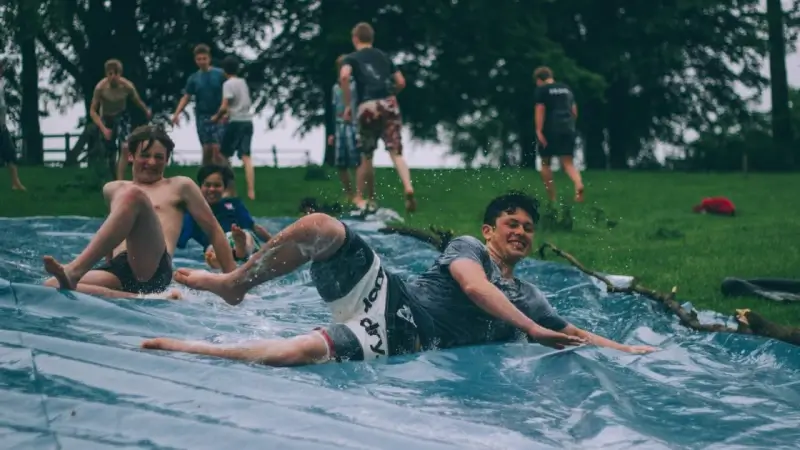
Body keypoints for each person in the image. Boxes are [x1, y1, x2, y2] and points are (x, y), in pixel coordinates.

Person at [142, 191, 657, 366]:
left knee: (295, 355)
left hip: (408, 336)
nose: (521, 233)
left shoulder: (530, 294)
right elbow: (474, 287)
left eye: (528, 228)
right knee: (322, 226)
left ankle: (191, 349)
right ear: (489, 230)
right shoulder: (469, 247)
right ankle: (237, 282)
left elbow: (571, 332)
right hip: (390, 296)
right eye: (512, 225)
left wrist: (625, 351)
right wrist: (534, 330)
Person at [42, 125, 237, 299]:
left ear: (167, 159)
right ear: (131, 156)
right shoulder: (112, 189)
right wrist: (108, 263)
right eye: (145, 155)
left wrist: (232, 281)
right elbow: (115, 231)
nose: (151, 162)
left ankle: (74, 270)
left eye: (159, 157)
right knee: (51, 285)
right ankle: (134, 297)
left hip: (153, 268)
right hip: (118, 268)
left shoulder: (180, 186)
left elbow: (214, 230)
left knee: (134, 196)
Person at [339, 22, 416, 213]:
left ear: (355, 38)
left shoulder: (352, 57)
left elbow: (344, 76)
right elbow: (401, 81)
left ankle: (364, 197)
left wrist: (349, 105)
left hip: (367, 105)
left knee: (367, 155)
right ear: (371, 38)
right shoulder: (383, 56)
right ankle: (408, 187)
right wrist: (392, 94)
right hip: (388, 103)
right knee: (396, 152)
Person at [177, 164, 271, 268]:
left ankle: (240, 250)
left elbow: (254, 227)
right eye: (207, 185)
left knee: (246, 235)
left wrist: (274, 242)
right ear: (200, 186)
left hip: (241, 239)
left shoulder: (234, 205)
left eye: (217, 185)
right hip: (215, 247)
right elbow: (179, 240)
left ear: (224, 188)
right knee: (211, 250)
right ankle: (235, 254)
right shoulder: (193, 213)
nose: (212, 189)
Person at [89, 59, 152, 181]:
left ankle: (121, 179)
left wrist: (146, 111)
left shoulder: (127, 86)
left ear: (120, 74)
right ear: (106, 75)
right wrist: (103, 128)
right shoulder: (100, 88)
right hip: (106, 117)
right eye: (110, 74)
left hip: (121, 115)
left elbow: (137, 101)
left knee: (124, 146)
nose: (113, 77)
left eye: (116, 74)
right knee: (110, 153)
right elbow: (92, 111)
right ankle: (113, 177)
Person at [533, 66, 584, 203]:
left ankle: (552, 198)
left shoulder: (542, 90)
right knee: (568, 162)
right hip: (568, 128)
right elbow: (574, 111)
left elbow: (540, 109)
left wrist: (539, 130)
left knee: (545, 163)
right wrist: (570, 125)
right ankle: (578, 183)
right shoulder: (566, 89)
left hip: (550, 128)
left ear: (539, 80)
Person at [171, 44, 226, 166]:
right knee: (207, 149)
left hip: (219, 113)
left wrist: (226, 111)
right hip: (202, 115)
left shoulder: (220, 74)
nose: (202, 62)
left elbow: (228, 93)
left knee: (217, 149)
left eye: (204, 59)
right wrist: (176, 114)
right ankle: (205, 176)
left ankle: (223, 176)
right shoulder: (194, 78)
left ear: (209, 58)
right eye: (199, 59)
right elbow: (186, 97)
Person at [211, 56, 255, 200]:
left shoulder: (228, 84)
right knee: (246, 157)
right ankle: (251, 192)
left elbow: (225, 106)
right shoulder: (243, 82)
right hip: (248, 121)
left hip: (236, 122)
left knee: (223, 155)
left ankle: (230, 188)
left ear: (224, 70)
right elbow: (241, 102)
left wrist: (216, 118)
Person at [327, 55, 363, 206]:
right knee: (341, 162)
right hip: (339, 126)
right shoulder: (335, 88)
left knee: (356, 161)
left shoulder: (357, 86)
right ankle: (349, 193)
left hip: (354, 125)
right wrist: (332, 132)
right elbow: (333, 109)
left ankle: (360, 194)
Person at [0, 56, 26, 191]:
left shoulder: (1, 84)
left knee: (10, 154)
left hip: (2, 128)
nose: (2, 70)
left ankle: (15, 183)